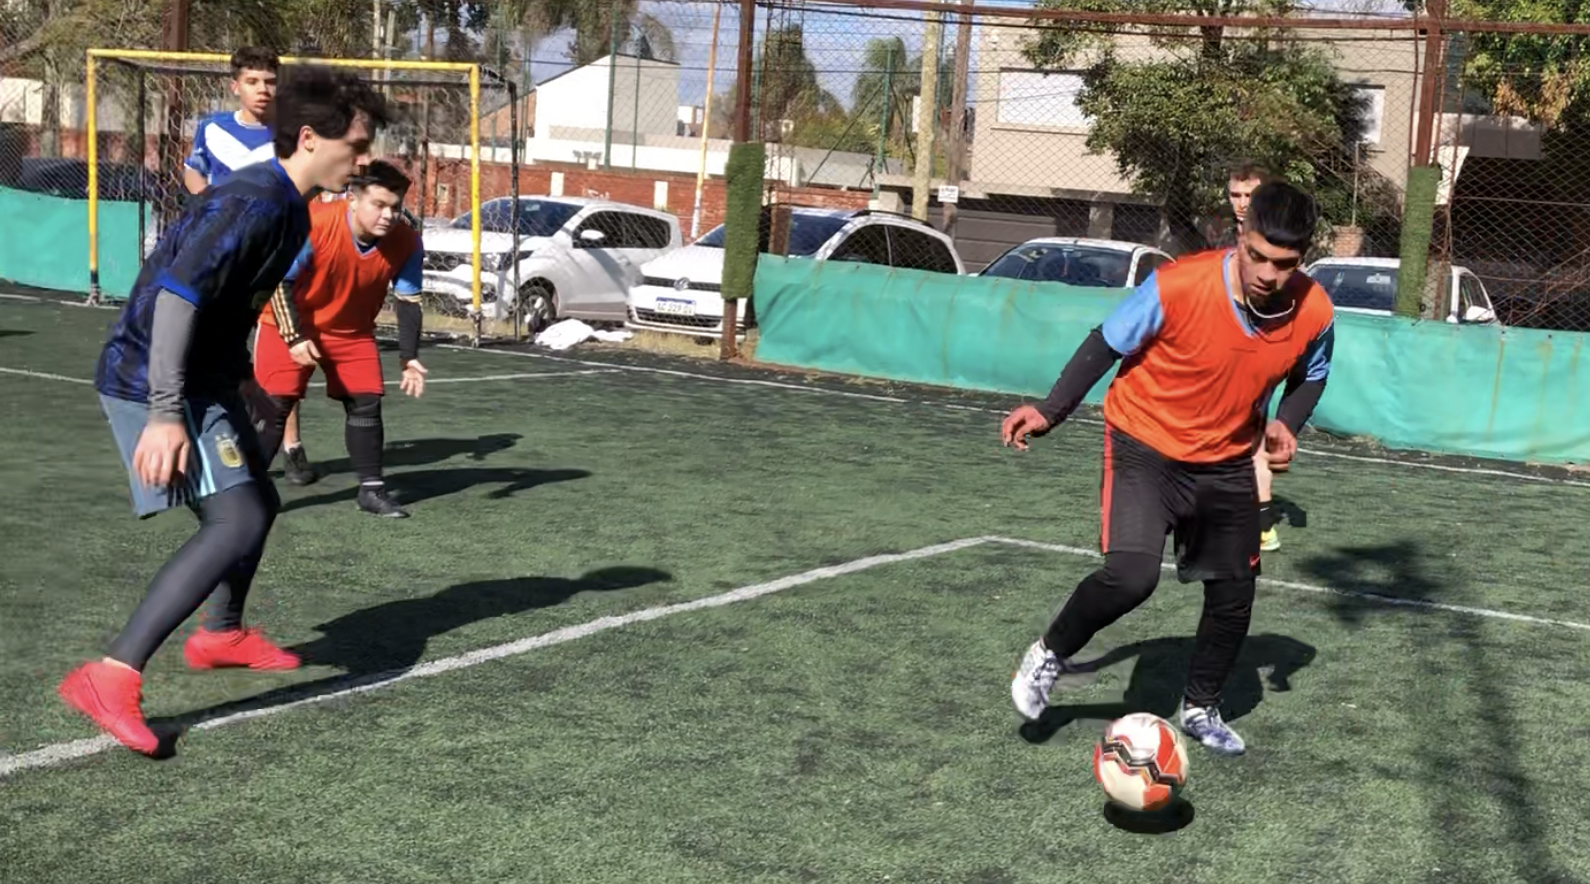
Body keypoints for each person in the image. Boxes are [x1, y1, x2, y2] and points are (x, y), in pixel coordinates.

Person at [60, 66, 389, 756]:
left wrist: (242, 380)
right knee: (233, 518)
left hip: (204, 377)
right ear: (309, 138)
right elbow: (176, 299)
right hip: (152, 376)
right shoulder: (255, 201)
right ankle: (110, 675)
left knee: (258, 504)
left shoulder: (290, 205)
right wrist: (164, 413)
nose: (363, 162)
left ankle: (221, 634)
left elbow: (227, 305)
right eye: (357, 146)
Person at [1003, 180, 1335, 757]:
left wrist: (1286, 424)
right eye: (1257, 256)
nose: (1267, 274)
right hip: (1144, 444)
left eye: (1284, 264)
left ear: (1302, 258)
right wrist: (1052, 410)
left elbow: (1313, 374)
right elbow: (1106, 343)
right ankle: (1049, 652)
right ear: (1240, 235)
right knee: (1131, 577)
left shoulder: (1315, 310)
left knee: (1234, 591)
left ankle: (1201, 706)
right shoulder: (1178, 285)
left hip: (1226, 459)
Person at [252, 159, 428, 519]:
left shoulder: (407, 241)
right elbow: (277, 281)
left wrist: (408, 356)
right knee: (274, 407)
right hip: (287, 323)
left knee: (366, 403)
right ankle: (244, 493)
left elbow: (408, 300)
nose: (388, 215)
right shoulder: (313, 223)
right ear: (352, 198)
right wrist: (294, 337)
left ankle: (371, 491)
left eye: (395, 207)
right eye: (378, 204)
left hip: (350, 331)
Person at [182, 46, 318, 487]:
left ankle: (290, 445)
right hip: (220, 256)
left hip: (272, 261)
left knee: (280, 355)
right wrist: (208, 203)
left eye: (270, 81)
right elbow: (193, 171)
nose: (263, 89)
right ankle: (207, 442)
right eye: (253, 81)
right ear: (235, 86)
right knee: (209, 351)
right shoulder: (211, 127)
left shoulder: (292, 134)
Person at [1214, 162, 1287, 552]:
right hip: (1226, 347)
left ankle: (1260, 524)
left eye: (1250, 195)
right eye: (1235, 195)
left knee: (1250, 438)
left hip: (1256, 349)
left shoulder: (1273, 238)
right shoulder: (1231, 237)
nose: (1242, 203)